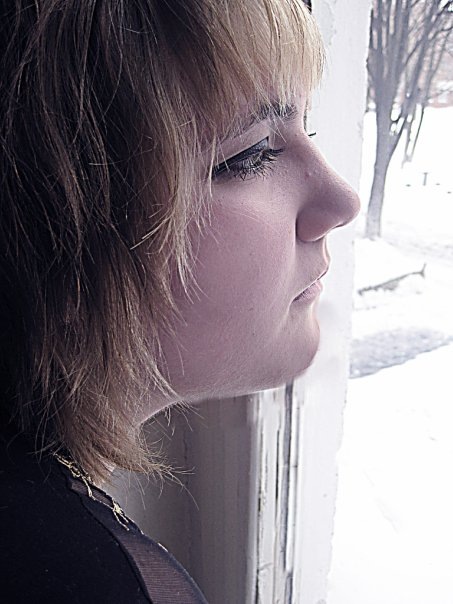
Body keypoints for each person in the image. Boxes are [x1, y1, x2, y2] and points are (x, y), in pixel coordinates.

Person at [0, 0, 360, 602]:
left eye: (309, 126)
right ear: (52, 234)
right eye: (251, 155)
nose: (342, 201)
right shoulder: (70, 576)